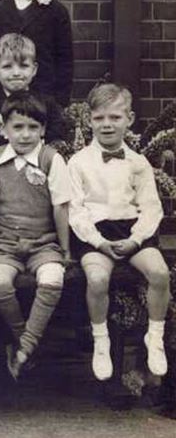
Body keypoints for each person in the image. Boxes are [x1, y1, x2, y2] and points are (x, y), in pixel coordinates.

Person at [68, 84, 168, 380]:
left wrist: (136, 239)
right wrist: (99, 243)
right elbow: (76, 210)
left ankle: (155, 336)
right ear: (89, 121)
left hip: (132, 229)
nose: (107, 124)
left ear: (130, 119)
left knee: (160, 273)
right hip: (95, 233)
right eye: (99, 118)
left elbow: (152, 207)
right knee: (98, 278)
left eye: (115, 117)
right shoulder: (78, 162)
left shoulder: (138, 163)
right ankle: (101, 340)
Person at [0, 92, 71, 380]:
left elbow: (61, 207)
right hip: (4, 243)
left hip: (43, 242)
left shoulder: (51, 159)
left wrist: (64, 248)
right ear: (4, 129)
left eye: (33, 128)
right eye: (18, 127)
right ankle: (26, 339)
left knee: (52, 278)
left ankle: (24, 347)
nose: (25, 135)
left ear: (43, 130)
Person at [0, 33, 67, 153]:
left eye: (23, 66)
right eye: (7, 67)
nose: (16, 73)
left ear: (34, 70)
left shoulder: (47, 103)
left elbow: (55, 138)